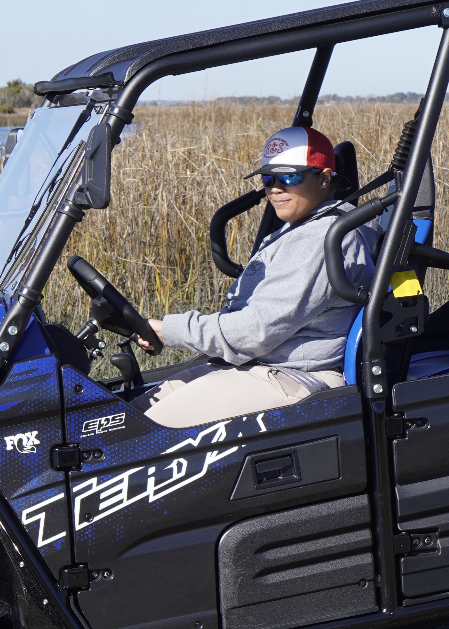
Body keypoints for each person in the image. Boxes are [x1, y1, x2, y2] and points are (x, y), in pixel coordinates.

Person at [131, 126, 378, 428]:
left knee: (140, 434)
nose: (275, 188)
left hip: (294, 375)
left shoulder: (320, 239)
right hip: (260, 365)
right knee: (127, 418)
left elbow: (253, 332)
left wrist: (168, 331)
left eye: (289, 176)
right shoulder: (299, 228)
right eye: (267, 178)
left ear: (325, 178)